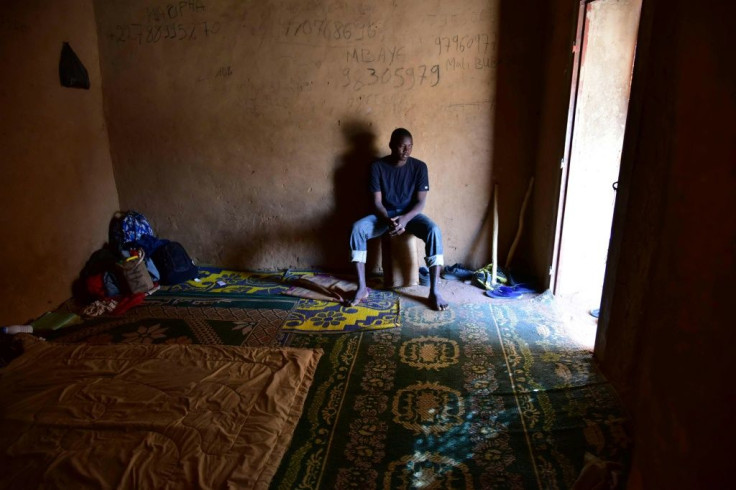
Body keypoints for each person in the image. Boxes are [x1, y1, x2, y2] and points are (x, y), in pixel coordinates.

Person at [348, 128, 449, 311]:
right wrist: (388, 220)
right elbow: (377, 202)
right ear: (391, 146)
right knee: (357, 229)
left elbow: (420, 203)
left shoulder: (419, 167)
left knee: (434, 231)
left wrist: (404, 219)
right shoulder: (377, 167)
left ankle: (434, 291)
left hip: (410, 215)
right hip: (383, 216)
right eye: (402, 146)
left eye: (410, 146)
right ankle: (362, 287)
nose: (406, 151)